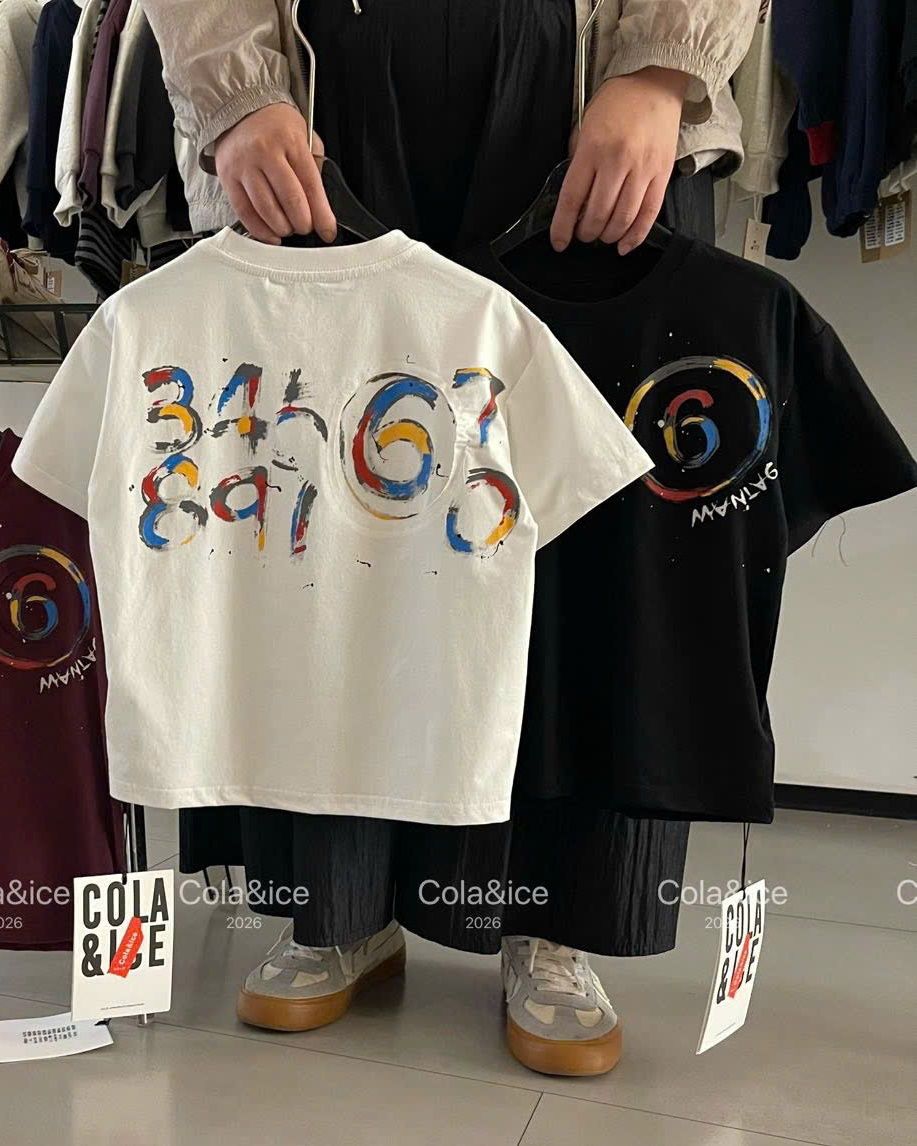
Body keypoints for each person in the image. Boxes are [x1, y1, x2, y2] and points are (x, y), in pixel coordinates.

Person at [140, 0, 756, 1076]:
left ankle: (554, 917)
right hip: (322, 77)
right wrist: (232, 88)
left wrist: (664, 66)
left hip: (582, 64)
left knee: (578, 514)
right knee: (324, 517)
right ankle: (336, 906)